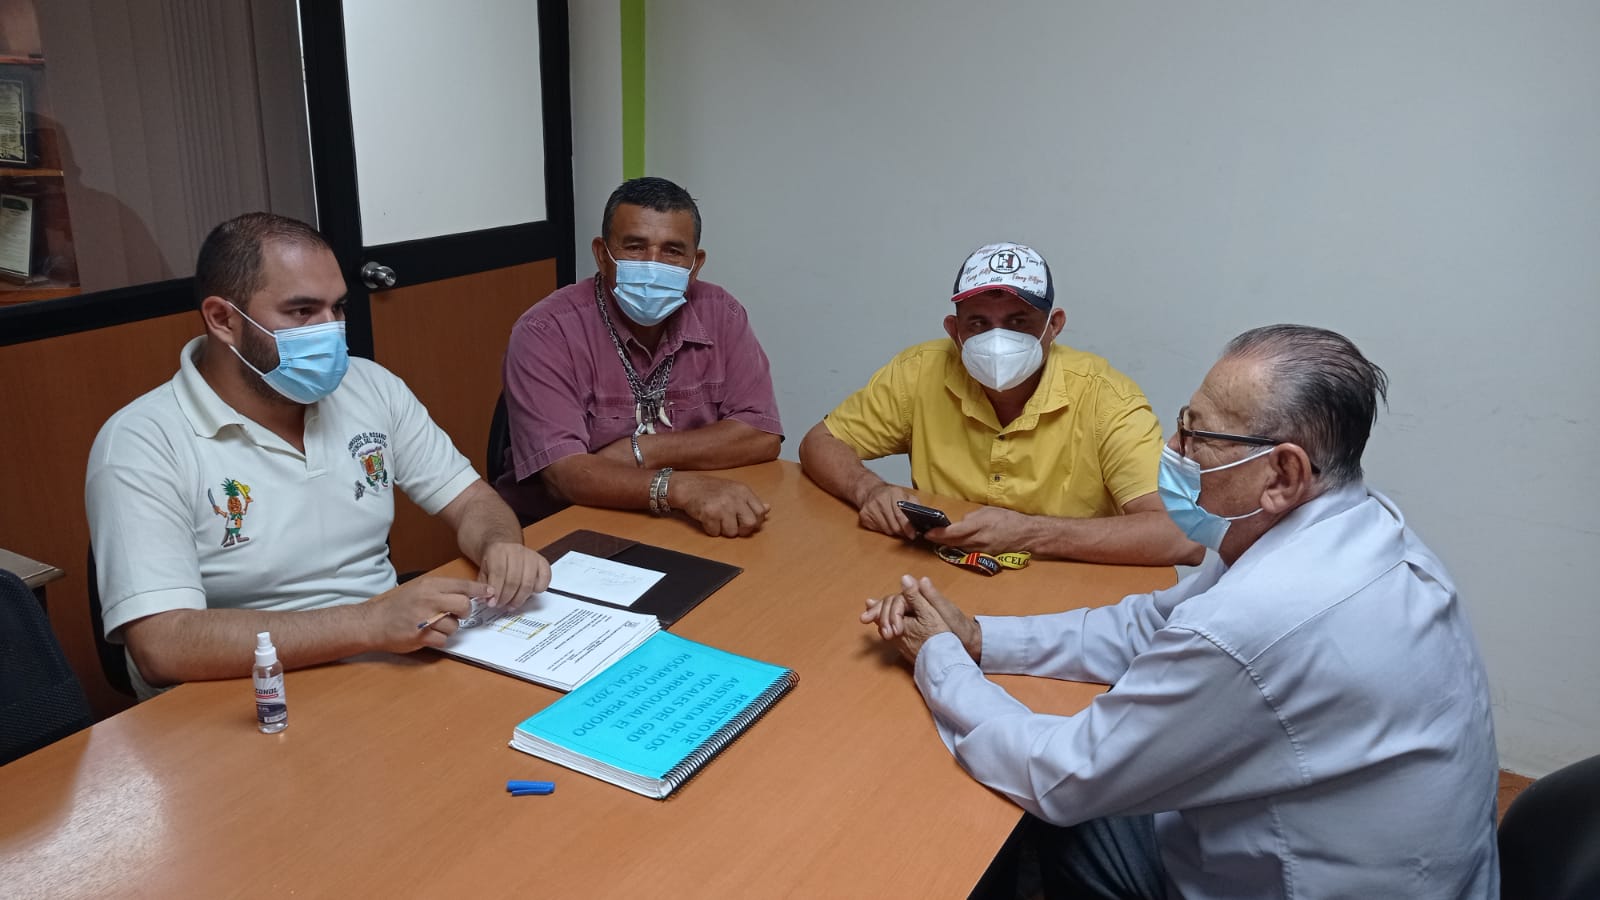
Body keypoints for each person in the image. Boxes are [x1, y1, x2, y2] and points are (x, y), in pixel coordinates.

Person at [861, 325, 1498, 899]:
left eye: (1198, 434)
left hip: (1293, 878)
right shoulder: (1346, 525)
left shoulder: (1260, 618)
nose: (1173, 447)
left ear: (1282, 474)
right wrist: (978, 636)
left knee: (1029, 820)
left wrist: (938, 659)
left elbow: (1059, 778)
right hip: (1391, 864)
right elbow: (1148, 624)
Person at [86, 213, 552, 700]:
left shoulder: (369, 386)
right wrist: (368, 623)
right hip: (236, 691)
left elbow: (473, 500)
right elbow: (162, 645)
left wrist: (500, 545)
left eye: (338, 308)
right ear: (223, 319)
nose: (331, 331)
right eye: (302, 311)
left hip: (380, 661)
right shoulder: (142, 441)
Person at [799, 242, 1198, 565]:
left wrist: (1031, 533)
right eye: (978, 323)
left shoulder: (1106, 397)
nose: (997, 339)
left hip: (1066, 582)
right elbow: (820, 442)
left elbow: (1185, 537)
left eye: (1018, 322)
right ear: (954, 330)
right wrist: (869, 491)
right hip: (943, 569)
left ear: (1054, 325)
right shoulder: (920, 370)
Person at [497, 176, 783, 537]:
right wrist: (678, 487)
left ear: (695, 265)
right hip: (567, 527)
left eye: (672, 251)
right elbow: (564, 475)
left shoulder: (722, 313)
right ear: (602, 254)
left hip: (682, 523)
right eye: (635, 247)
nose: (652, 265)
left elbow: (760, 434)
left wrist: (641, 451)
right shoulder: (546, 330)